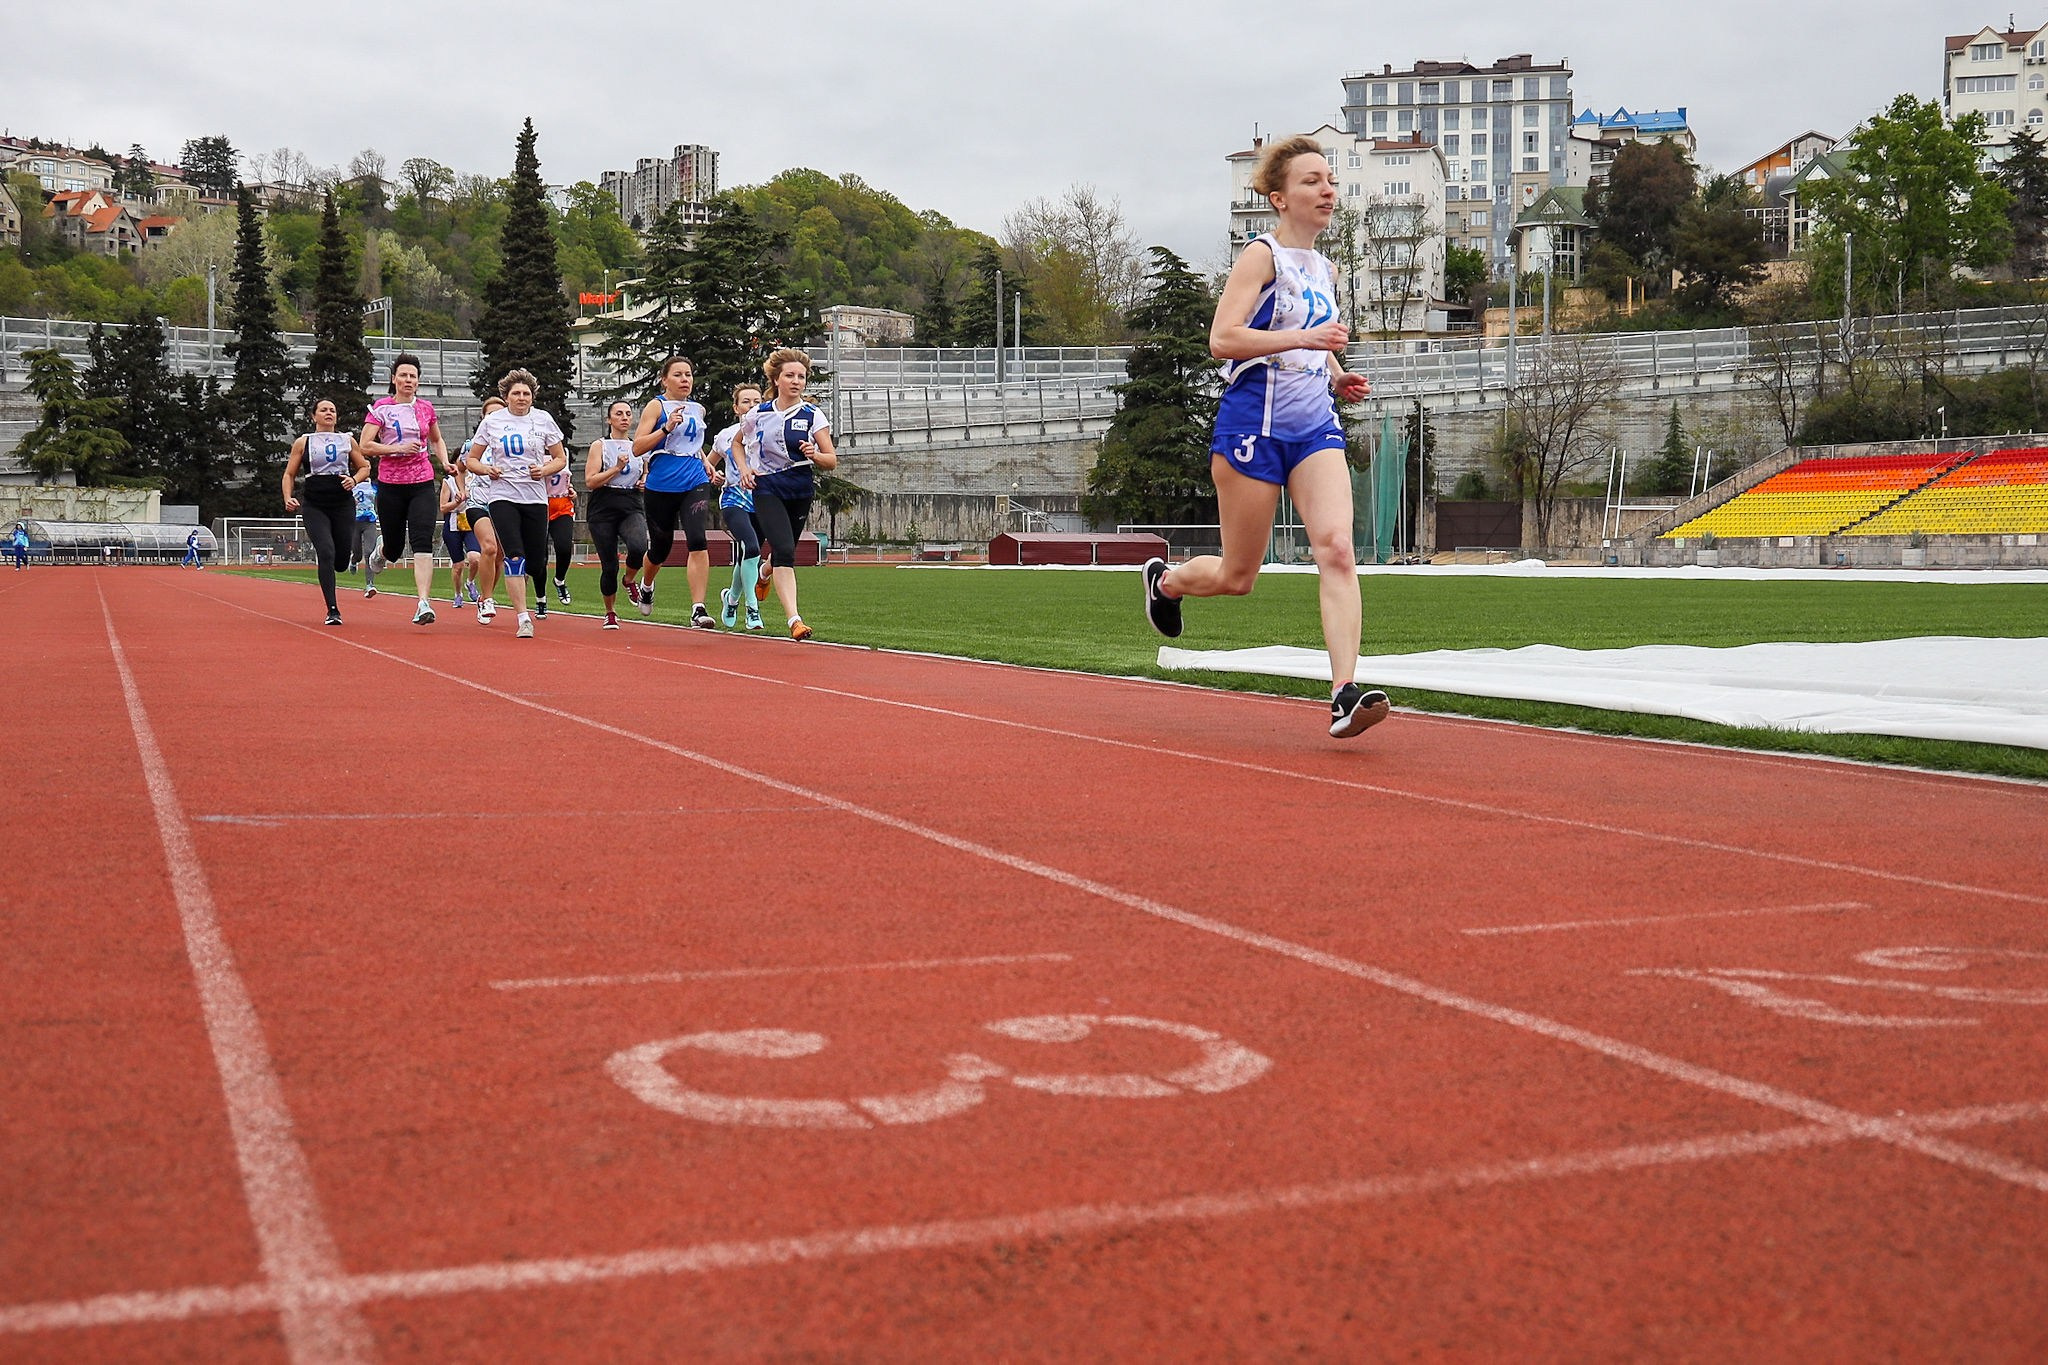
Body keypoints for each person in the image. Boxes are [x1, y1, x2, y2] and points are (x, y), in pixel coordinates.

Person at [1139, 135, 1390, 741]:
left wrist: (1337, 375)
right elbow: (1223, 340)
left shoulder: (1327, 269)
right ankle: (1165, 582)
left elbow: (1313, 338)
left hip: (1313, 430)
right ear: (1279, 198)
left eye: (1330, 179)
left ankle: (1343, 693)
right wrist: (1308, 343)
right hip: (1252, 424)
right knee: (1238, 575)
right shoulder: (1262, 257)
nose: (1326, 189)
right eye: (1311, 181)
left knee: (1336, 549)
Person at [735, 348, 836, 641]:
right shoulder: (758, 413)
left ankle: (764, 573)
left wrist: (815, 455)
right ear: (776, 379)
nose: (796, 381)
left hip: (799, 488)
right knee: (785, 552)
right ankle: (795, 620)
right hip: (766, 487)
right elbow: (738, 444)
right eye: (789, 375)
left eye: (801, 377)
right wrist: (744, 470)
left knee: (782, 551)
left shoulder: (812, 414)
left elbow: (831, 460)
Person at [462, 370, 568, 639]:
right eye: (516, 393)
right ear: (506, 396)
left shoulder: (543, 419)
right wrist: (487, 469)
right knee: (514, 555)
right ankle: (523, 617)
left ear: (532, 397)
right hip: (502, 496)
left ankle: (523, 590)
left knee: (535, 562)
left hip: (534, 497)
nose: (521, 398)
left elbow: (559, 458)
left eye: (526, 394)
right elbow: (471, 461)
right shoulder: (493, 421)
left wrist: (543, 470)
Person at [358, 353, 451, 625]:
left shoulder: (425, 409)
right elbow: (365, 445)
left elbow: (437, 439)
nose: (408, 380)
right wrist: (396, 448)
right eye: (403, 375)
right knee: (396, 548)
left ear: (418, 382)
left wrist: (445, 462)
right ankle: (380, 551)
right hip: (390, 485)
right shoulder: (381, 408)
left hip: (421, 481)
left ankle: (423, 602)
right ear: (394, 379)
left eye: (413, 376)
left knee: (423, 539)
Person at [630, 357, 717, 627]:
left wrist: (704, 461)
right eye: (678, 375)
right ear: (664, 379)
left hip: (694, 481)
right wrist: (665, 429)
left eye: (689, 375)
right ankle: (647, 585)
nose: (685, 380)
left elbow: (693, 442)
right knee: (660, 548)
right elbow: (637, 447)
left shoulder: (698, 409)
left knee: (697, 539)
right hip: (662, 485)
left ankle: (698, 609)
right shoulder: (656, 406)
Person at [281, 399, 368, 625]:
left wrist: (354, 479)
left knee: (340, 560)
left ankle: (344, 559)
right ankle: (332, 609)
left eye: (333, 410)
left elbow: (365, 467)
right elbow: (289, 474)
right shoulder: (303, 442)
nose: (329, 413)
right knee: (326, 552)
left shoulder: (347, 440)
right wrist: (287, 497)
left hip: (342, 505)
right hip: (315, 505)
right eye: (323, 410)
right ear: (314, 416)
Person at [584, 399, 648, 630]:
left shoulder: (639, 446)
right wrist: (616, 469)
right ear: (609, 419)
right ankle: (610, 612)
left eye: (628, 413)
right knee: (609, 565)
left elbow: (645, 473)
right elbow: (591, 481)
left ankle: (629, 579)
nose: (624, 417)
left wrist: (644, 481)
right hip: (603, 506)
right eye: (618, 413)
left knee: (639, 546)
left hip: (630, 503)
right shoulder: (600, 445)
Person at [711, 383, 766, 631]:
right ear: (736, 408)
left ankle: (731, 599)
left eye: (757, 401)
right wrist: (714, 476)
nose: (752, 405)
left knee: (749, 556)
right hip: (734, 497)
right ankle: (752, 609)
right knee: (752, 547)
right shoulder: (726, 435)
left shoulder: (769, 431)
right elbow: (708, 465)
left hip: (763, 500)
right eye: (746, 401)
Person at [462, 395, 508, 622]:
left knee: (499, 556)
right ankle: (488, 599)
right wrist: (463, 487)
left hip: (505, 503)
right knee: (488, 548)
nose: (494, 418)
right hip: (478, 503)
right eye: (490, 414)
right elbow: (463, 466)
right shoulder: (472, 444)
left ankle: (482, 598)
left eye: (499, 414)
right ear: (483, 418)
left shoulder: (511, 444)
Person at [538, 448, 577, 616]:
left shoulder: (564, 452)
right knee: (541, 557)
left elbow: (565, 478)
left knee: (564, 547)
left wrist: (572, 491)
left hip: (562, 505)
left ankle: (559, 580)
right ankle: (541, 599)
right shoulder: (533, 451)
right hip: (539, 506)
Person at [440, 462, 473, 607]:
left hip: (472, 522)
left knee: (475, 558)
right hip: (453, 523)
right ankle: (458, 594)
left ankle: (470, 582)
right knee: (458, 565)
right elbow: (443, 508)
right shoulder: (449, 481)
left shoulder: (475, 478)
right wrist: (456, 502)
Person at [353, 476, 380, 596]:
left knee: (369, 552)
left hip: (370, 521)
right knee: (357, 553)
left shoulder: (374, 486)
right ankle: (354, 560)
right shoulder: (351, 484)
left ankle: (370, 584)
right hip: (354, 522)